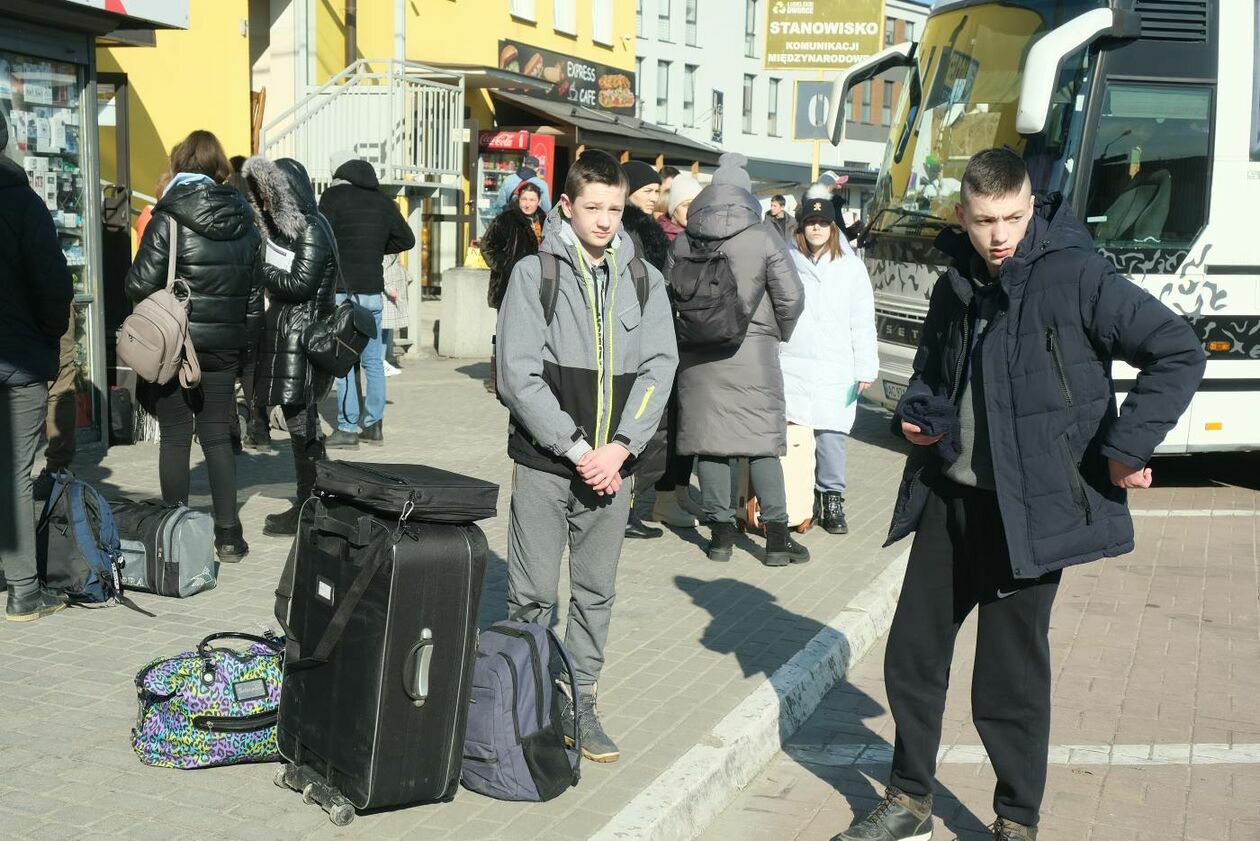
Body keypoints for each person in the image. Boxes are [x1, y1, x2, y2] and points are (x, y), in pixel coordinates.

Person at [834, 148, 1205, 841]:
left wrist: (1127, 450)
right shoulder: (954, 285)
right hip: (951, 500)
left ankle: (1015, 819)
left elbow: (1179, 348)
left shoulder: (1076, 274)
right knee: (911, 655)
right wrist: (916, 413)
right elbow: (929, 375)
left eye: (1011, 216)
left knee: (1008, 679)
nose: (999, 234)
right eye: (984, 221)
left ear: (1031, 206)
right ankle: (909, 796)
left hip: (1029, 512)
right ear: (962, 215)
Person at [496, 150, 678, 763]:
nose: (605, 221)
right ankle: (522, 703)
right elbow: (518, 376)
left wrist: (622, 446)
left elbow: (660, 367)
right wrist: (576, 448)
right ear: (566, 206)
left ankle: (581, 700)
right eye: (593, 207)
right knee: (532, 594)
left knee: (595, 593)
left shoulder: (644, 277)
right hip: (549, 465)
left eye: (616, 209)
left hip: (612, 469)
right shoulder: (533, 275)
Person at [125, 130, 262, 563]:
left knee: (176, 438)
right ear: (219, 168)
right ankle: (229, 537)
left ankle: (176, 535)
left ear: (180, 164)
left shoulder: (168, 216)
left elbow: (138, 283)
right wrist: (247, 353)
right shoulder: (245, 219)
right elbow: (255, 297)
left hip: (175, 346)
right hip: (225, 347)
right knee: (217, 438)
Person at [673, 152, 806, 566]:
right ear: (747, 194)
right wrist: (775, 332)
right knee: (761, 444)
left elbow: (669, 294)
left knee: (710, 445)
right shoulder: (764, 235)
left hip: (698, 355)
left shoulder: (684, 237)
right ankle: (777, 541)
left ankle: (720, 539)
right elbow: (792, 296)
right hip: (755, 353)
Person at [1, 109, 74, 621]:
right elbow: (53, 287)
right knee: (14, 474)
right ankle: (24, 589)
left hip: (20, 352)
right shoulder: (22, 203)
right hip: (18, 359)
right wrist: (47, 338)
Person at [242, 155, 340, 538]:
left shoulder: (312, 228)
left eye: (271, 194)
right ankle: (313, 502)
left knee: (302, 424)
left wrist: (261, 269)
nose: (266, 202)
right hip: (293, 337)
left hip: (304, 339)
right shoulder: (299, 229)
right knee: (302, 423)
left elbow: (300, 285)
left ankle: (310, 506)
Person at [780, 197, 878, 536]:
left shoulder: (851, 268)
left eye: (823, 223)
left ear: (833, 227)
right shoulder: (786, 262)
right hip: (792, 363)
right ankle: (798, 499)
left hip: (837, 365)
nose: (817, 228)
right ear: (802, 227)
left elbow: (863, 320)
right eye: (811, 223)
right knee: (797, 436)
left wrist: (866, 366)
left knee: (832, 435)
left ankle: (832, 498)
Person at [318, 158, 415, 449]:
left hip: (343, 292)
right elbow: (406, 239)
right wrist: (376, 245)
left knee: (345, 360)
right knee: (373, 360)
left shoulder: (333, 197)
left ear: (342, 178)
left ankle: (348, 428)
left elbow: (319, 234)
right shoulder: (383, 202)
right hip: (372, 293)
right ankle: (374, 426)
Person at [645, 170, 706, 528]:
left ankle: (680, 490)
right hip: (671, 341)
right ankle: (665, 496)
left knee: (687, 422)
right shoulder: (668, 239)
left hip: (690, 342)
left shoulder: (697, 238)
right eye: (684, 204)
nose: (690, 211)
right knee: (671, 422)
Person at [618, 161, 674, 540]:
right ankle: (624, 510)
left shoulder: (646, 230)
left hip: (646, 335)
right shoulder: (631, 231)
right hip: (634, 339)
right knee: (642, 427)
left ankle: (628, 509)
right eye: (648, 191)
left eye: (658, 191)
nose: (655, 197)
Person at [380, 252, 409, 375]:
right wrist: (390, 288)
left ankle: (381, 360)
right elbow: (383, 268)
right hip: (388, 292)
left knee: (385, 328)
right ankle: (380, 361)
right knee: (383, 328)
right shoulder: (387, 246)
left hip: (391, 290)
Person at [657, 172, 702, 244]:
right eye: (686, 205)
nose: (692, 210)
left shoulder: (704, 234)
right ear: (673, 208)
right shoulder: (659, 238)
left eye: (696, 205)